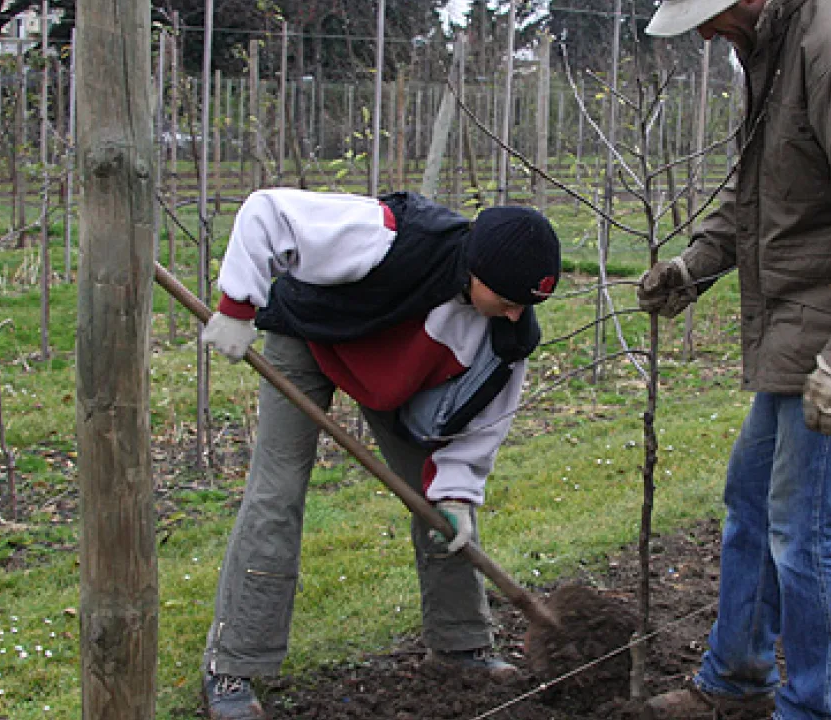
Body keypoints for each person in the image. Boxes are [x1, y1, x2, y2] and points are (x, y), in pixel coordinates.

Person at [637, 0, 831, 718]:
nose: (708, 32)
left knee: (804, 525)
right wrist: (693, 268)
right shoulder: (776, 47)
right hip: (802, 317)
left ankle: (817, 707)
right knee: (752, 501)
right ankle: (739, 673)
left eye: (710, 16)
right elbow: (764, 191)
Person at [198, 188, 561, 720]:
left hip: (393, 380)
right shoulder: (388, 235)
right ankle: (232, 665)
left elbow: (482, 423)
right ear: (476, 270)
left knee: (439, 509)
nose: (514, 314)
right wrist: (236, 307)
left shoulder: (507, 334)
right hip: (309, 340)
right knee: (275, 496)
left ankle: (461, 644)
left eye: (524, 304)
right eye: (507, 298)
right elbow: (267, 212)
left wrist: (457, 491)